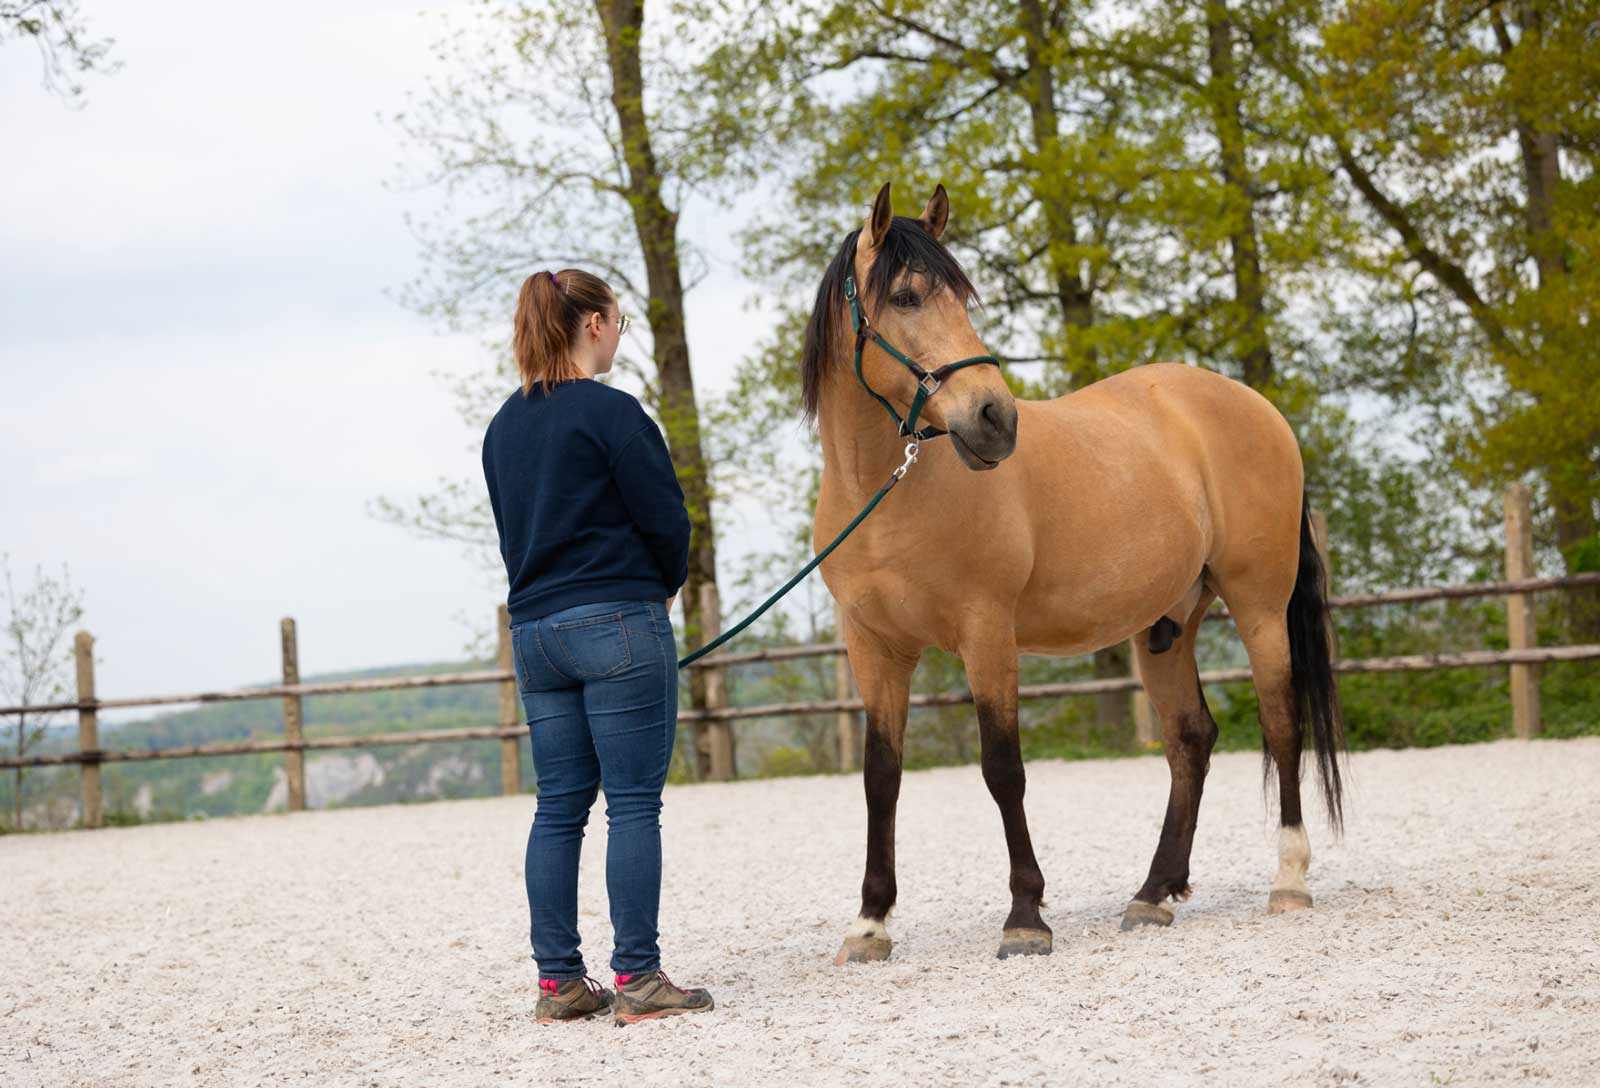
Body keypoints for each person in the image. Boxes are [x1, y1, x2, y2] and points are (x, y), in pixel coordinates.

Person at [482, 268, 713, 1026]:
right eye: (617, 319)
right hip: (617, 622)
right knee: (634, 806)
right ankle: (640, 979)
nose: (620, 333)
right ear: (590, 325)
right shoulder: (613, 414)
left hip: (537, 634)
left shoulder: (502, 427)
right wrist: (665, 583)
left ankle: (559, 984)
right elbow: (665, 518)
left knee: (558, 810)